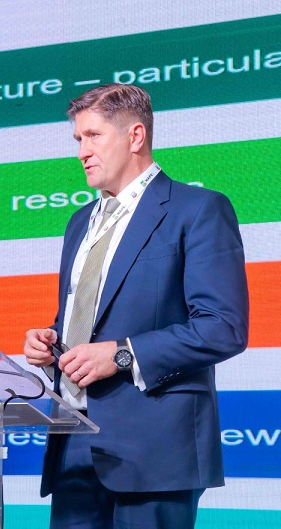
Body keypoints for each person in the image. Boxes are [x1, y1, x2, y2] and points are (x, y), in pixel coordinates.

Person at [23, 83, 249, 529]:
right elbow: (94, 316)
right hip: (74, 441)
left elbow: (223, 327)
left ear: (136, 136)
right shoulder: (79, 222)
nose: (82, 151)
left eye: (93, 136)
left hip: (155, 447)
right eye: (78, 139)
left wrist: (122, 355)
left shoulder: (197, 209)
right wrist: (51, 342)